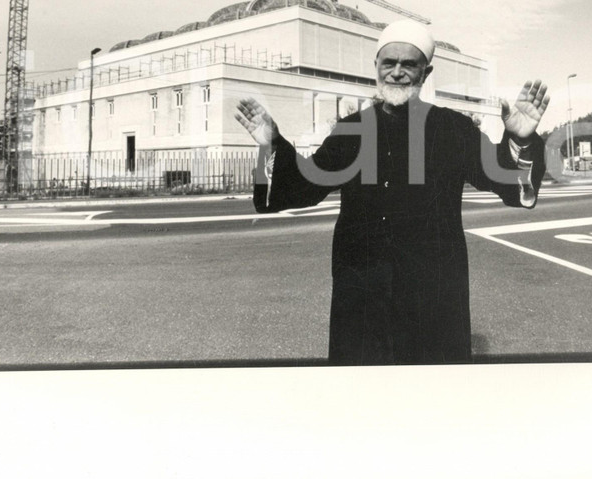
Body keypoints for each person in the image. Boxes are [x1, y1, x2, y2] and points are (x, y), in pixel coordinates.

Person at [234, 20, 550, 365]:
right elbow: (301, 188)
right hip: (362, 300)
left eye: (408, 64)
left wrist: (520, 140)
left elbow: (507, 183)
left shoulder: (453, 129)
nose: (397, 72)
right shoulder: (352, 130)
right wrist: (272, 145)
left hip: (433, 303)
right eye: (389, 63)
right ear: (376, 67)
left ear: (426, 73)